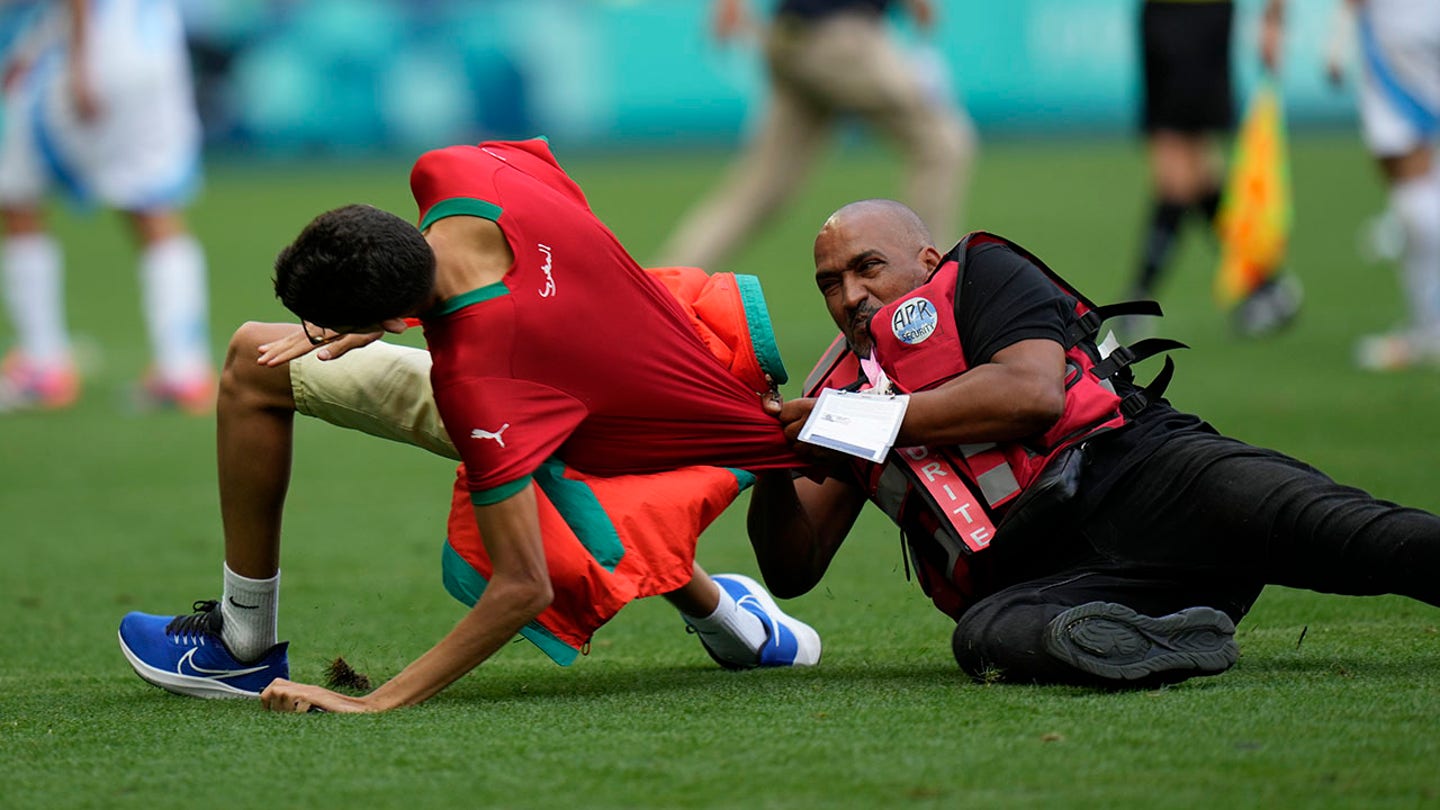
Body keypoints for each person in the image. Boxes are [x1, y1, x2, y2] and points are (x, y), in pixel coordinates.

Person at [117, 138, 821, 714]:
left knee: (552, 484)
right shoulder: (456, 170)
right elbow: (554, 222)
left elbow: (523, 587)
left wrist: (373, 703)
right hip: (685, 359)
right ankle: (733, 623)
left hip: (653, 443)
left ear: (393, 320)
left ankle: (241, 645)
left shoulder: (482, 384)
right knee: (258, 357)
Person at [748, 198, 1440, 688]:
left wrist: (858, 423)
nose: (851, 295)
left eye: (868, 267)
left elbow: (1031, 394)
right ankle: (1174, 638)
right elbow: (794, 567)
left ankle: (1165, 631)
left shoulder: (981, 277)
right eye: (830, 284)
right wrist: (770, 457)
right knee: (985, 638)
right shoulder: (837, 395)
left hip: (1148, 476)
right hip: (1052, 577)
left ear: (926, 259)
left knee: (1356, 534)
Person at [0, 0, 214, 412]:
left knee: (17, 196)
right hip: (155, 50)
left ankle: (43, 364)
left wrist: (79, 61)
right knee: (154, 208)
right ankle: (183, 368)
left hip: (97, 49)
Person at [652, 0, 974, 271]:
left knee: (758, 191)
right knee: (943, 144)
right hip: (841, 38)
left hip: (791, 37)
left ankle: (662, 286)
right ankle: (932, 292)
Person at [1127, 0, 1301, 338]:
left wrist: (1273, 19)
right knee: (1197, 174)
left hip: (1199, 15)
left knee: (1177, 171)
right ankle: (1266, 284)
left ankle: (1140, 296)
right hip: (1158, 15)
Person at [1307, 0, 1440, 370]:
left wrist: (1338, 36)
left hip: (1400, 22)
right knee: (1421, 165)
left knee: (1409, 168)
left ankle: (1430, 328)